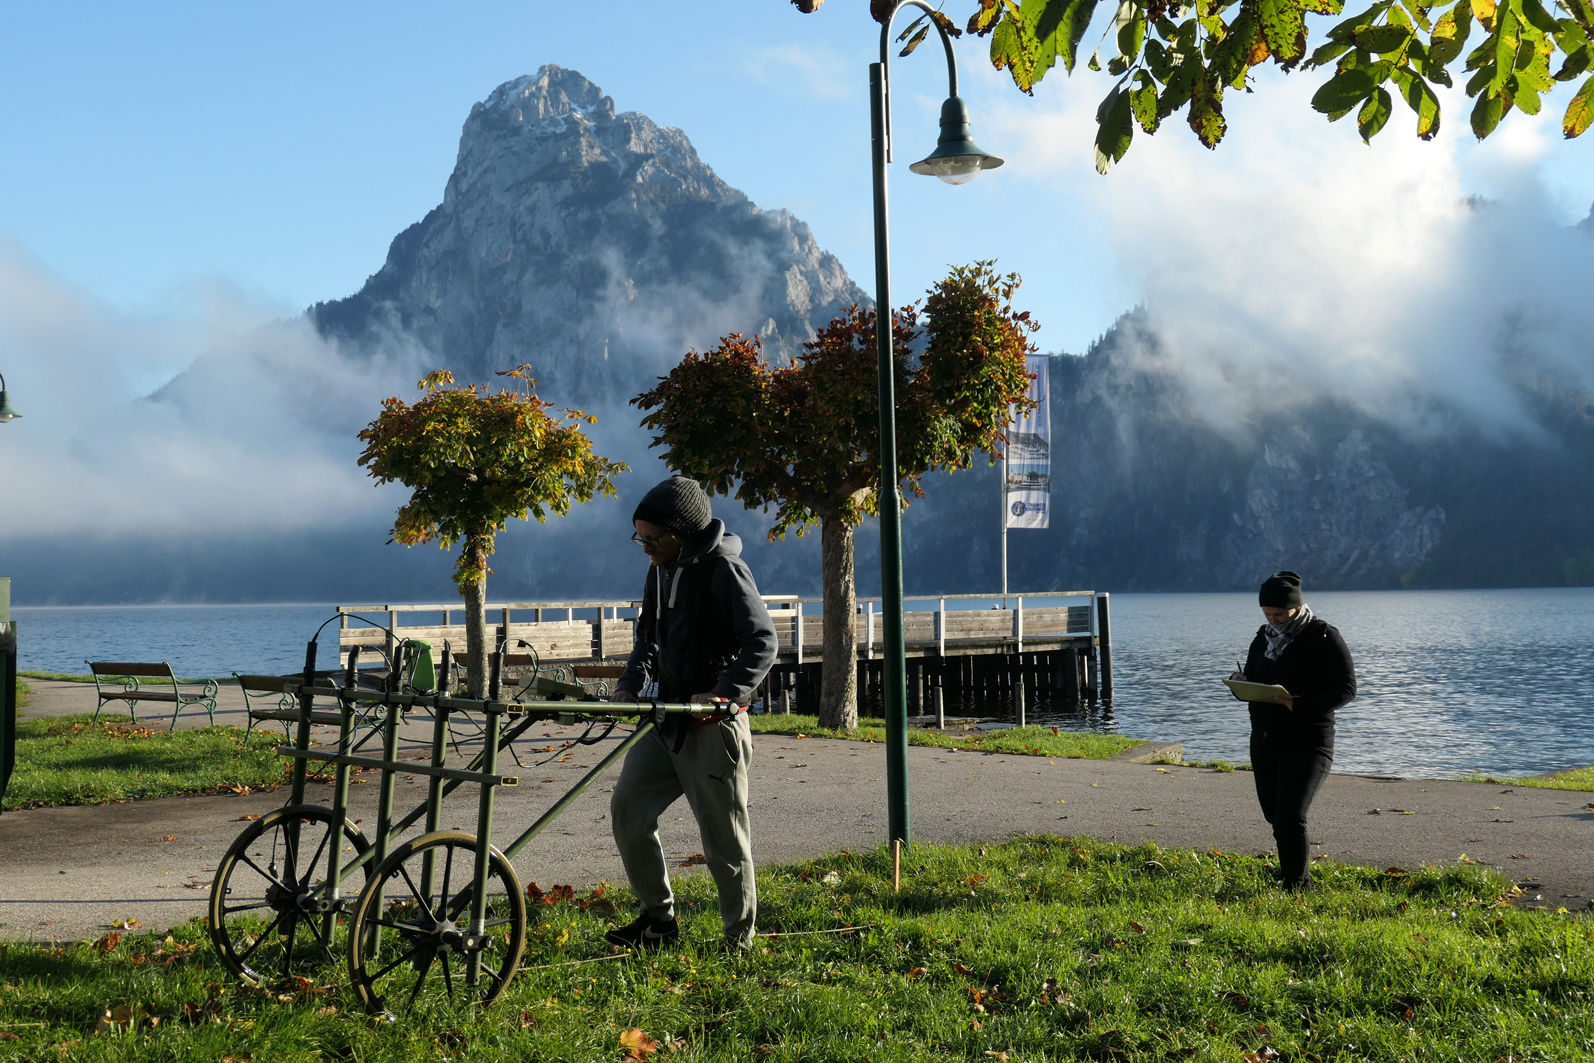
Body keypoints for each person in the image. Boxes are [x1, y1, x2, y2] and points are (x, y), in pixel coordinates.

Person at [606, 475, 778, 951]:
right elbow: (647, 637)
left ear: (682, 534)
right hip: (666, 718)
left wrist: (723, 693)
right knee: (628, 809)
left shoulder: (726, 570)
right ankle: (659, 922)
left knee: (723, 837)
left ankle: (738, 941)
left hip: (712, 726)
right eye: (640, 538)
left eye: (653, 539)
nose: (645, 549)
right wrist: (629, 683)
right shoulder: (659, 568)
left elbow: (762, 641)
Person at [1229, 570, 1356, 891]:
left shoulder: (1324, 637)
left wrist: (1299, 703)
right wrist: (1240, 683)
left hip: (1309, 740)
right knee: (1274, 816)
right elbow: (1255, 678)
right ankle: (1302, 880)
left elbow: (1346, 690)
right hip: (1265, 739)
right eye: (1267, 614)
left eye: (1279, 614)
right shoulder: (1262, 637)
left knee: (1289, 818)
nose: (1273, 621)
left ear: (1296, 607)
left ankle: (1295, 888)